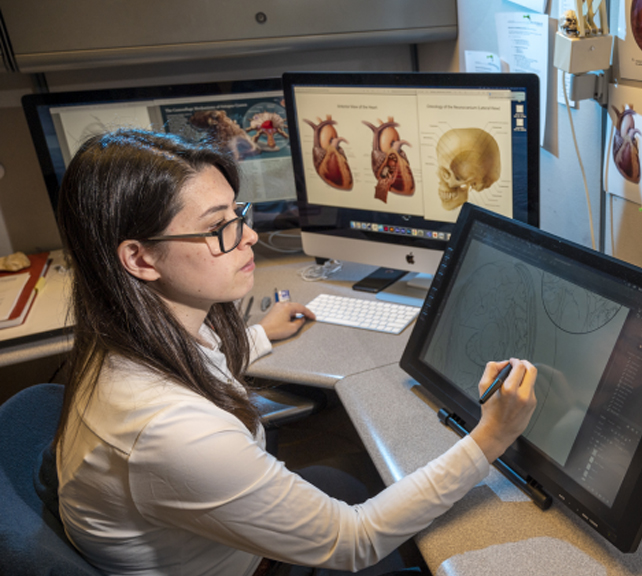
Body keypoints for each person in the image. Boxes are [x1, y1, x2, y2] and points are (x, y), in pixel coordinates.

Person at [54, 129, 538, 576]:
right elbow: (356, 540)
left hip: (215, 544)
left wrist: (259, 335)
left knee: (345, 479)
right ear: (139, 258)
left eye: (237, 214)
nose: (248, 236)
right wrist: (491, 436)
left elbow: (196, 368)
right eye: (218, 226)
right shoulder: (172, 431)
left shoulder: (122, 336)